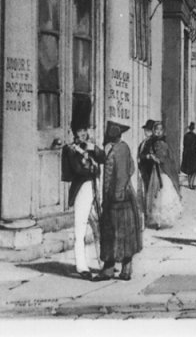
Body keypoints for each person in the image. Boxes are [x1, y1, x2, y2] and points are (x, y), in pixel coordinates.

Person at [61, 119, 105, 279]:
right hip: (81, 189)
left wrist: (94, 150)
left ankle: (104, 263)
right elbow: (77, 170)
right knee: (80, 228)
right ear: (74, 134)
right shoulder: (70, 150)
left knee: (99, 226)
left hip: (95, 187)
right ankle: (81, 266)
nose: (84, 134)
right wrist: (91, 167)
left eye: (85, 130)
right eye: (80, 131)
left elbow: (103, 158)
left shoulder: (90, 147)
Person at [98, 120, 142, 281]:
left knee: (121, 232)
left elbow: (125, 172)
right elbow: (131, 167)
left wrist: (117, 195)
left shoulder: (120, 149)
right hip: (116, 196)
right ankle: (114, 268)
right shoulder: (116, 148)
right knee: (116, 233)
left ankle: (121, 268)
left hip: (120, 198)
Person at [143, 120, 183, 229]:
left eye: (160, 130)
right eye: (156, 130)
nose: (158, 132)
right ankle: (157, 221)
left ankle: (163, 220)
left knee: (164, 192)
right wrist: (150, 157)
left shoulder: (163, 143)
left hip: (163, 170)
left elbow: (165, 157)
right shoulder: (152, 142)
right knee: (156, 193)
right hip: (155, 171)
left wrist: (156, 158)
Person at [181, 123, 196, 190]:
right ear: (193, 128)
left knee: (189, 169)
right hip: (193, 153)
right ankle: (191, 184)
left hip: (187, 153)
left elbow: (184, 145)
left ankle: (189, 184)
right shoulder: (195, 136)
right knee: (194, 169)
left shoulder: (185, 135)